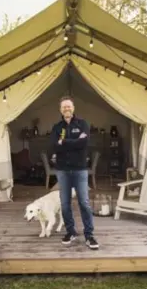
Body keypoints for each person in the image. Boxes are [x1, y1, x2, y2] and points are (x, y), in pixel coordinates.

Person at [49, 96, 99, 250]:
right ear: (60, 110)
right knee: (65, 204)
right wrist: (74, 142)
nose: (66, 109)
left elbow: (84, 143)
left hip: (80, 170)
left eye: (69, 106)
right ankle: (70, 232)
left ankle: (89, 235)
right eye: (64, 107)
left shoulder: (83, 124)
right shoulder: (57, 127)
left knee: (84, 202)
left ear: (73, 108)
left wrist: (63, 142)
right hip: (63, 170)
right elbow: (54, 146)